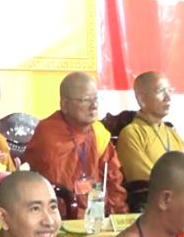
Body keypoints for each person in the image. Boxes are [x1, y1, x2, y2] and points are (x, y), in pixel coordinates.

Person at [22, 72, 128, 217]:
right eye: (85, 100)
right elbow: (51, 188)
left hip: (96, 213)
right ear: (65, 105)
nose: (94, 106)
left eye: (96, 99)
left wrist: (118, 214)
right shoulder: (49, 135)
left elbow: (112, 177)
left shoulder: (99, 132)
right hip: (59, 216)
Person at [117, 71, 184, 183]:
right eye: (160, 91)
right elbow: (144, 179)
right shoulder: (132, 134)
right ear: (142, 99)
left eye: (169, 90)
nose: (168, 97)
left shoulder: (173, 134)